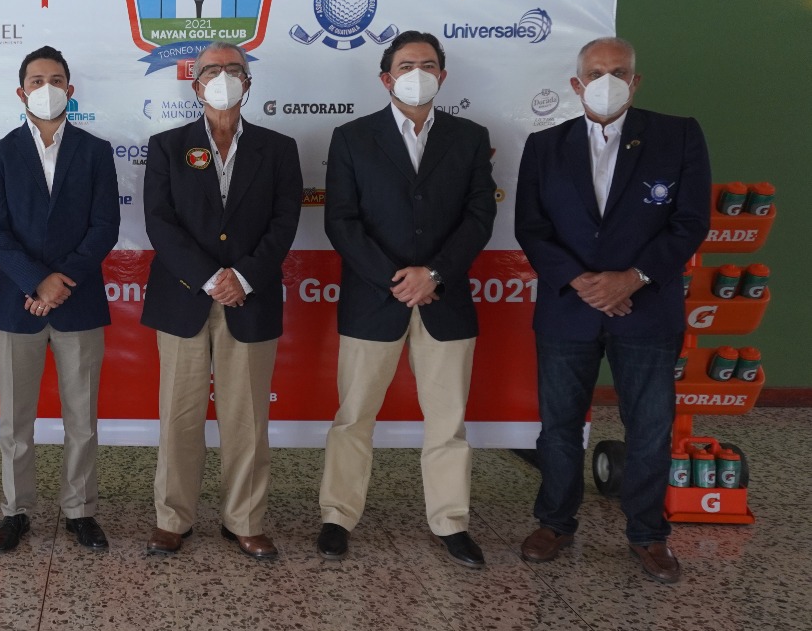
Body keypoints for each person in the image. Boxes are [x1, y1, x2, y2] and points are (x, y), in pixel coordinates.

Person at [515, 37, 710, 584]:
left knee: (649, 427)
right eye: (595, 73)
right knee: (559, 427)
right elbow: (530, 225)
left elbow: (691, 221)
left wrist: (633, 278)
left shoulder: (678, 135)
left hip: (645, 308)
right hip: (568, 307)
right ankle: (554, 522)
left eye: (618, 72)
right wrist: (581, 281)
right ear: (576, 84)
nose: (607, 82)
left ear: (635, 81)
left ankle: (648, 534)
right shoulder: (545, 145)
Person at [317, 31, 497, 569]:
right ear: (386, 78)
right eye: (405, 65)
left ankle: (450, 521)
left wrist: (434, 274)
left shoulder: (469, 137)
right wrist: (396, 279)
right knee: (353, 416)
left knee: (447, 421)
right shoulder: (352, 137)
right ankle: (337, 517)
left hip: (446, 298)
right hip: (375, 298)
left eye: (428, 65)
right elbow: (341, 221)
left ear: (442, 75)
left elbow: (479, 216)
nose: (417, 73)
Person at [140, 41, 302, 559]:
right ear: (196, 84)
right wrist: (210, 277)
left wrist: (244, 277)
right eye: (212, 70)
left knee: (247, 420)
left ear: (248, 83)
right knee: (179, 417)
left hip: (250, 300)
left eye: (235, 69)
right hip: (184, 298)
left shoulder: (279, 148)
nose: (224, 77)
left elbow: (284, 223)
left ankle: (245, 520)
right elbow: (160, 223)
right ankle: (173, 519)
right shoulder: (167, 146)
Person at [0, 46, 121, 552]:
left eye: (56, 79)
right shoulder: (0, 153)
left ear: (70, 90)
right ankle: (15, 510)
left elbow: (105, 226)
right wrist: (36, 281)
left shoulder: (95, 151)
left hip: (78, 303)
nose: (47, 88)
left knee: (82, 420)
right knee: (15, 421)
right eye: (36, 80)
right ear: (21, 92)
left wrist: (61, 282)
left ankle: (80, 510)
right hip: (18, 304)